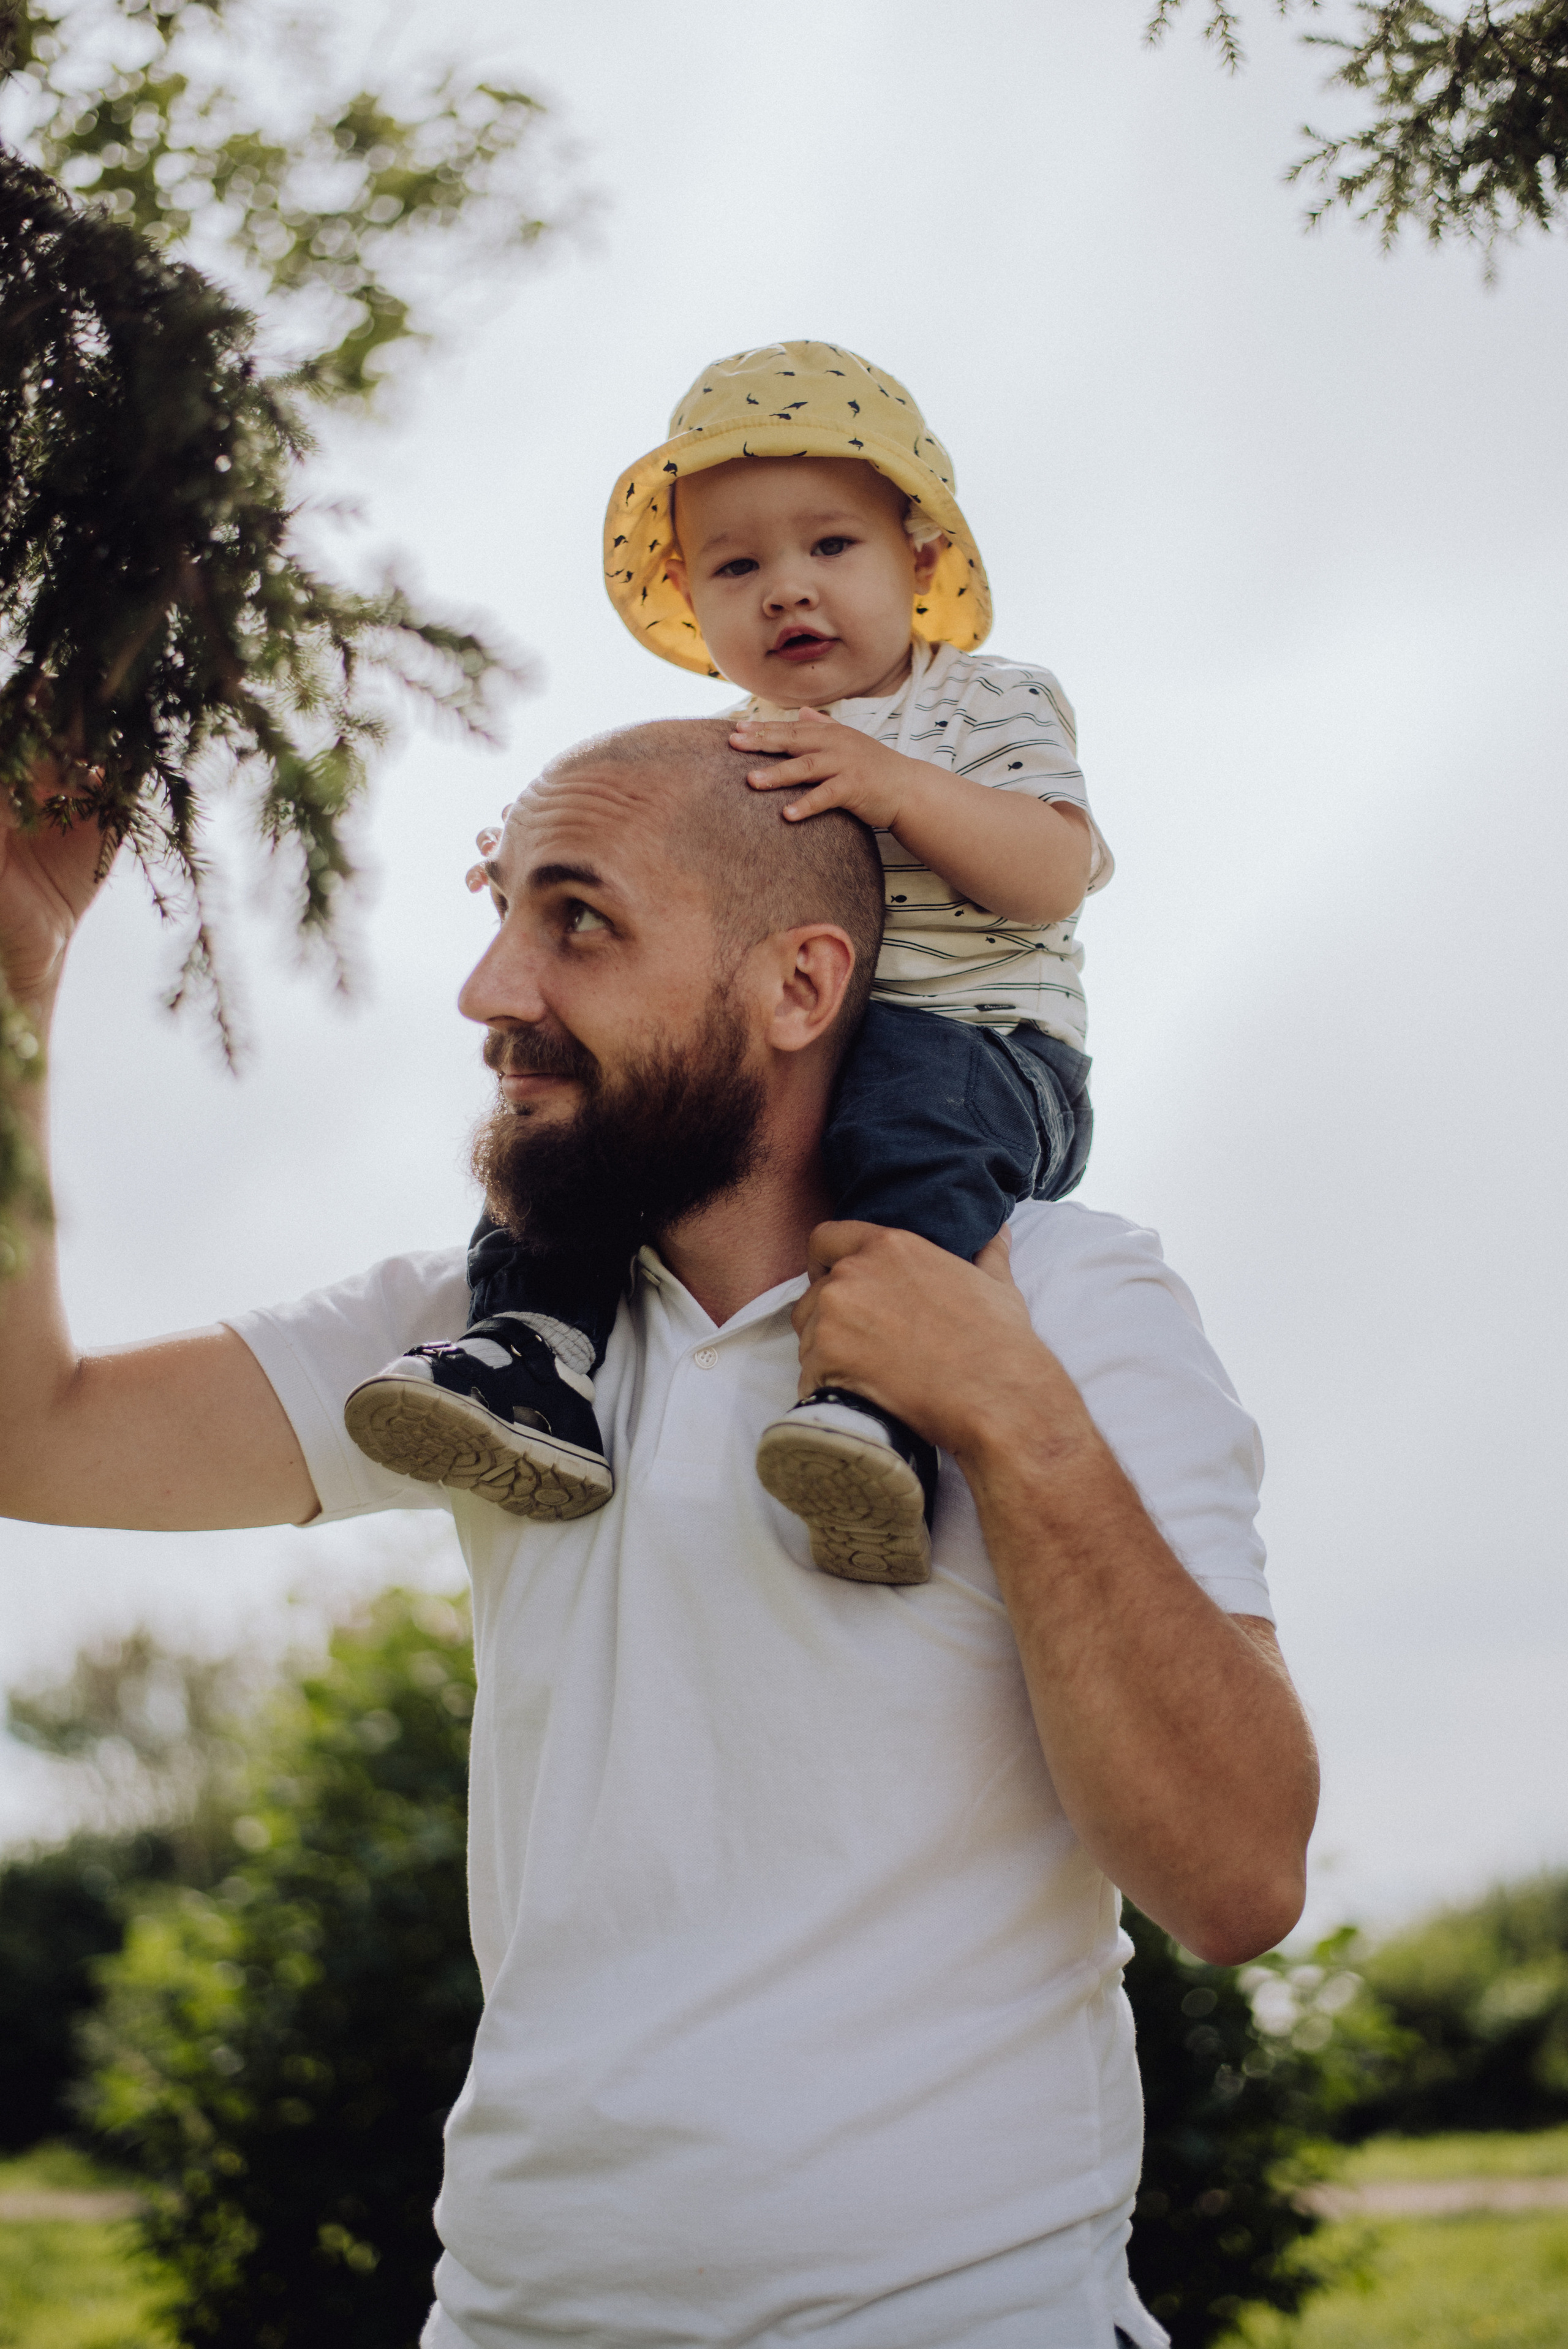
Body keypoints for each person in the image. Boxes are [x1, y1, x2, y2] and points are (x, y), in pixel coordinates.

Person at [0, 723, 1318, 2349]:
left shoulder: (1066, 1300)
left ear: (798, 985)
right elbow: (32, 1431)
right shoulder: (477, 1346)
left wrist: (1019, 1423)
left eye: (579, 921)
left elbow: (1239, 1875)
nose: (492, 992)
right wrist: (18, 954)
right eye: (502, 915)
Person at [345, 341, 1112, 1588]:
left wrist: (898, 787)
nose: (785, 591)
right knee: (605, 1117)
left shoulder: (981, 705)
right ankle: (532, 1357)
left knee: (905, 1138)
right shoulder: (722, 749)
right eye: (737, 564)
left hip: (975, 1041)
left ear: (917, 556)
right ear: (689, 598)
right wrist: (542, 874)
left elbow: (1052, 870)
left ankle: (877, 1418)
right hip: (779, 1052)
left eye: (830, 548)